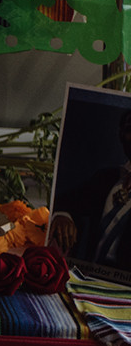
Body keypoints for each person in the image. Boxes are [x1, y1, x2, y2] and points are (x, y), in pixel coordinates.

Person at [70, 109, 131, 270]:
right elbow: (68, 201)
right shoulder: (105, 178)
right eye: (130, 129)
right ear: (121, 135)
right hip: (88, 275)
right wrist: (62, 215)